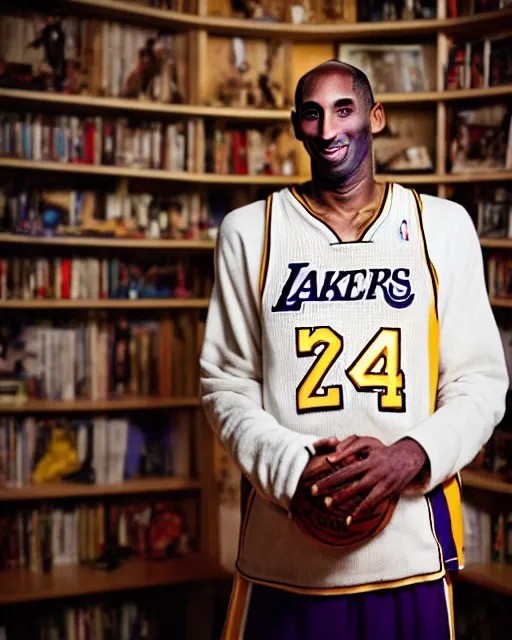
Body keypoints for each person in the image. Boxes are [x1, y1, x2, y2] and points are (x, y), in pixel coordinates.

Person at [200, 60, 509, 640]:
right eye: (312, 114)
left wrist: (410, 454)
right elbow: (226, 385)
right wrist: (295, 472)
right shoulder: (249, 231)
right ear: (296, 126)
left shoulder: (443, 227)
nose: (328, 128)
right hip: (284, 554)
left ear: (376, 117)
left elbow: (480, 381)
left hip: (411, 551)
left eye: (344, 109)